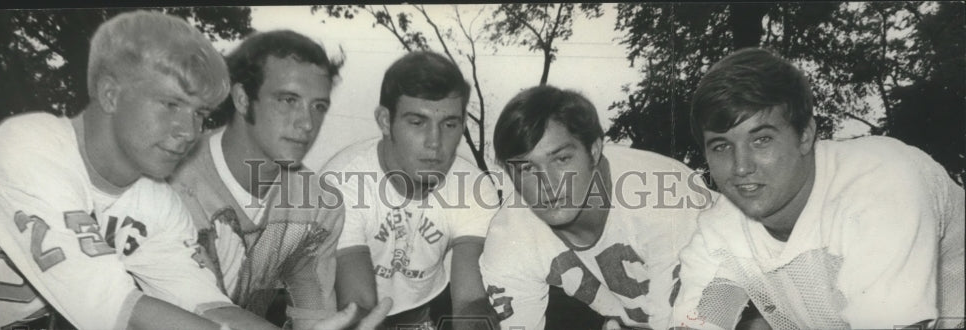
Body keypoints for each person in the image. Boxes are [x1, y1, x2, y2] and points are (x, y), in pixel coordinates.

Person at [0, 10, 280, 330]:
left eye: (200, 113)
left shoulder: (156, 202)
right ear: (110, 94)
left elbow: (206, 307)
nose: (189, 130)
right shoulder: (28, 151)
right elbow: (117, 313)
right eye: (171, 104)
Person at [670, 47, 965, 329]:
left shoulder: (880, 187)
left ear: (805, 136)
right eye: (721, 146)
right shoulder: (720, 232)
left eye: (761, 140)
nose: (741, 166)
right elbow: (702, 321)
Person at [168, 29, 393, 330]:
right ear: (242, 99)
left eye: (318, 106)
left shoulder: (317, 207)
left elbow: (313, 316)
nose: (307, 123)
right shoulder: (168, 182)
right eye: (288, 100)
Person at [480, 85, 712, 330]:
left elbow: (706, 314)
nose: (547, 184)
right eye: (526, 168)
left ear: (594, 150)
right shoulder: (509, 238)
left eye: (561, 159)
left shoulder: (662, 196)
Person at [321, 51, 501, 329]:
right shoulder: (341, 182)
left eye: (449, 124)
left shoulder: (474, 188)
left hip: (421, 313)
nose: (435, 142)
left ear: (462, 124)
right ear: (384, 121)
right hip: (339, 316)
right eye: (417, 122)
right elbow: (358, 305)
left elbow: (469, 301)